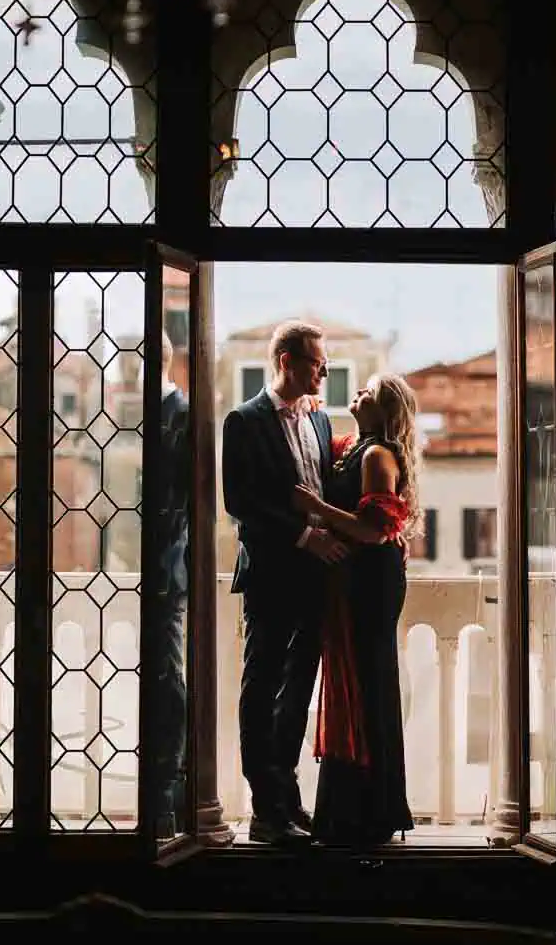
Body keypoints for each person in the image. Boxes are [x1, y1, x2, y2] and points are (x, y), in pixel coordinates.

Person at [221, 320, 347, 846]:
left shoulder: (319, 419)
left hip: (317, 578)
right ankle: (265, 812)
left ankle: (287, 799)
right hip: (272, 575)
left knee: (297, 692)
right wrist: (304, 536)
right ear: (286, 362)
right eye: (317, 362)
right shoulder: (243, 421)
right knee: (262, 687)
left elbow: (322, 489)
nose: (324, 371)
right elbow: (239, 503)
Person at [291, 372, 421, 849]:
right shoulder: (352, 446)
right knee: (354, 682)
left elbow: (373, 531)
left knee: (366, 684)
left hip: (370, 582)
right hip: (354, 578)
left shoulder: (376, 456)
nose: (359, 393)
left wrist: (316, 507)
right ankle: (353, 811)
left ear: (384, 411)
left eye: (369, 392)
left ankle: (368, 812)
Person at [142, 332, 190, 839]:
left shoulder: (183, 414)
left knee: (167, 678)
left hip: (166, 572)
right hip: (140, 572)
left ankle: (166, 794)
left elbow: (191, 504)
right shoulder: (136, 414)